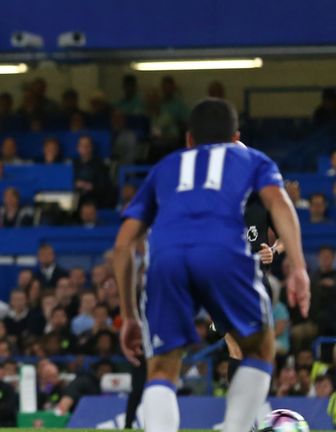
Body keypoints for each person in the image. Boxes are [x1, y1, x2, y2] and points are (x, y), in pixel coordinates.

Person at [112, 98, 310, 432]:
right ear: (236, 136)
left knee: (161, 369)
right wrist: (300, 267)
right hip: (222, 252)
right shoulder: (251, 159)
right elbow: (279, 203)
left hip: (166, 258)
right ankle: (235, 428)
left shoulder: (165, 168)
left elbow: (122, 245)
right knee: (260, 348)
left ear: (189, 139)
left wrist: (129, 315)